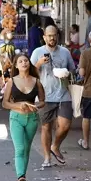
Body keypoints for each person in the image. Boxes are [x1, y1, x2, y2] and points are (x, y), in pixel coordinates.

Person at [30, 25, 77, 167]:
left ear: (57, 36)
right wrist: (38, 63)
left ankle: (55, 146)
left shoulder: (65, 52)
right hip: (44, 95)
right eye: (49, 35)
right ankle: (47, 158)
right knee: (46, 127)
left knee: (65, 125)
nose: (52, 38)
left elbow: (72, 71)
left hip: (63, 93)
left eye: (54, 35)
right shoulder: (37, 52)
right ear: (44, 37)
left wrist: (66, 73)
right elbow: (29, 72)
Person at [3, 54, 46, 181]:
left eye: (26, 60)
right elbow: (5, 103)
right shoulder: (11, 81)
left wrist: (35, 106)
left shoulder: (36, 81)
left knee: (26, 149)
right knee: (20, 148)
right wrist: (18, 105)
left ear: (29, 63)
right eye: (20, 61)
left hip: (32, 118)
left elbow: (43, 101)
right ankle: (20, 176)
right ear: (16, 65)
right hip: (16, 117)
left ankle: (23, 179)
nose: (24, 63)